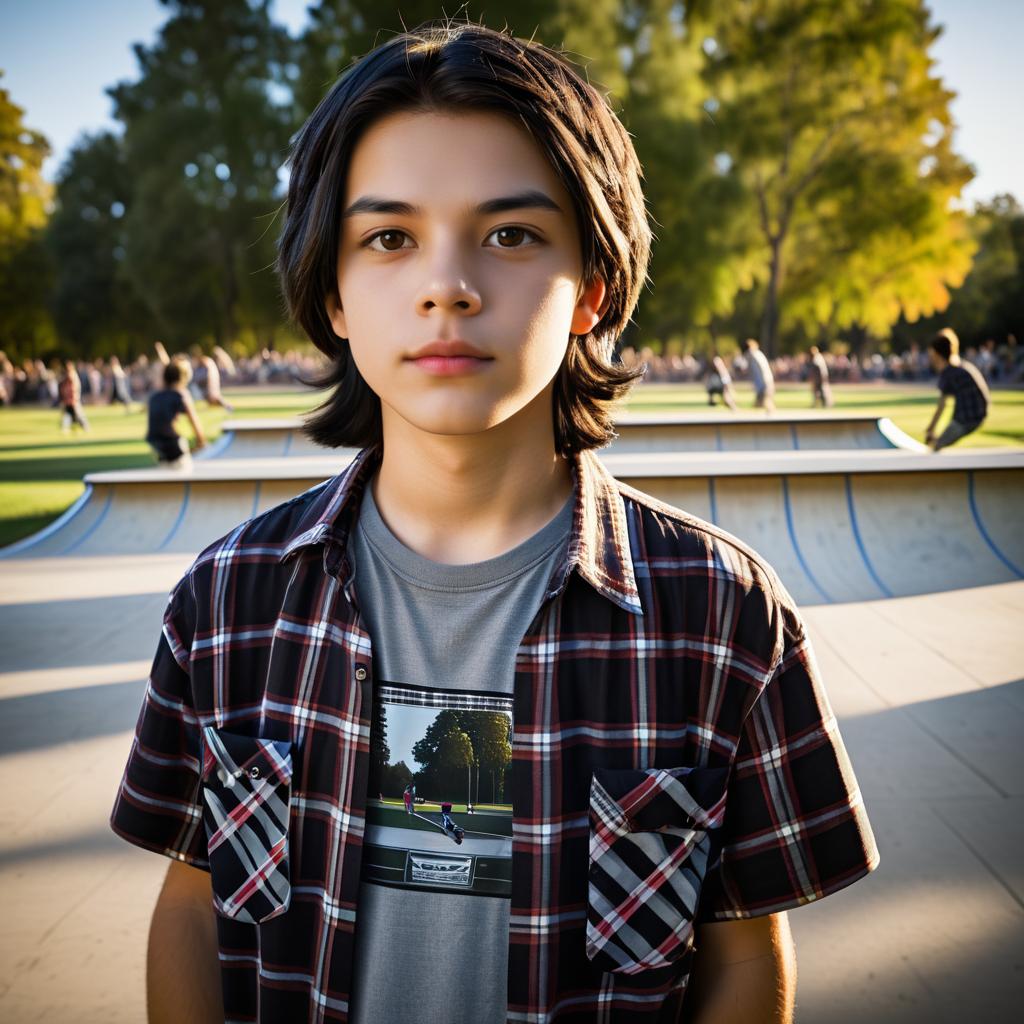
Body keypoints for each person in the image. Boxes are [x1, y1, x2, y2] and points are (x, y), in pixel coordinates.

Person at [110, 21, 878, 1024]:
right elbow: (193, 909)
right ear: (332, 291)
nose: (447, 286)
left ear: (591, 290)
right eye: (388, 237)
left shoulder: (724, 617)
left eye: (511, 234)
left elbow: (743, 957)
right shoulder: (224, 602)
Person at [924, 327, 990, 450]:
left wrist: (931, 427)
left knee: (937, 446)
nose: (930, 358)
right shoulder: (960, 367)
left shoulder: (948, 373)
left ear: (938, 355)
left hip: (967, 418)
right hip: (977, 413)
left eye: (932, 354)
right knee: (939, 442)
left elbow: (942, 405)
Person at [145, 358, 206, 468]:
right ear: (182, 378)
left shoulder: (155, 397)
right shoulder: (181, 395)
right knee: (185, 477)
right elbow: (195, 424)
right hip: (174, 446)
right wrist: (201, 442)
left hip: (156, 447)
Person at [743, 337, 776, 412]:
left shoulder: (755, 354)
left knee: (767, 402)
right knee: (759, 404)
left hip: (765, 383)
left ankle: (774, 420)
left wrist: (764, 383)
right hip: (764, 383)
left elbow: (763, 369)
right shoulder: (756, 354)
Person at [57, 360, 89, 434]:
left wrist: (73, 398)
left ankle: (85, 426)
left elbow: (74, 389)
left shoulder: (72, 376)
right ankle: (66, 427)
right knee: (67, 414)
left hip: (72, 400)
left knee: (78, 414)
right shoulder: (67, 377)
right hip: (68, 400)